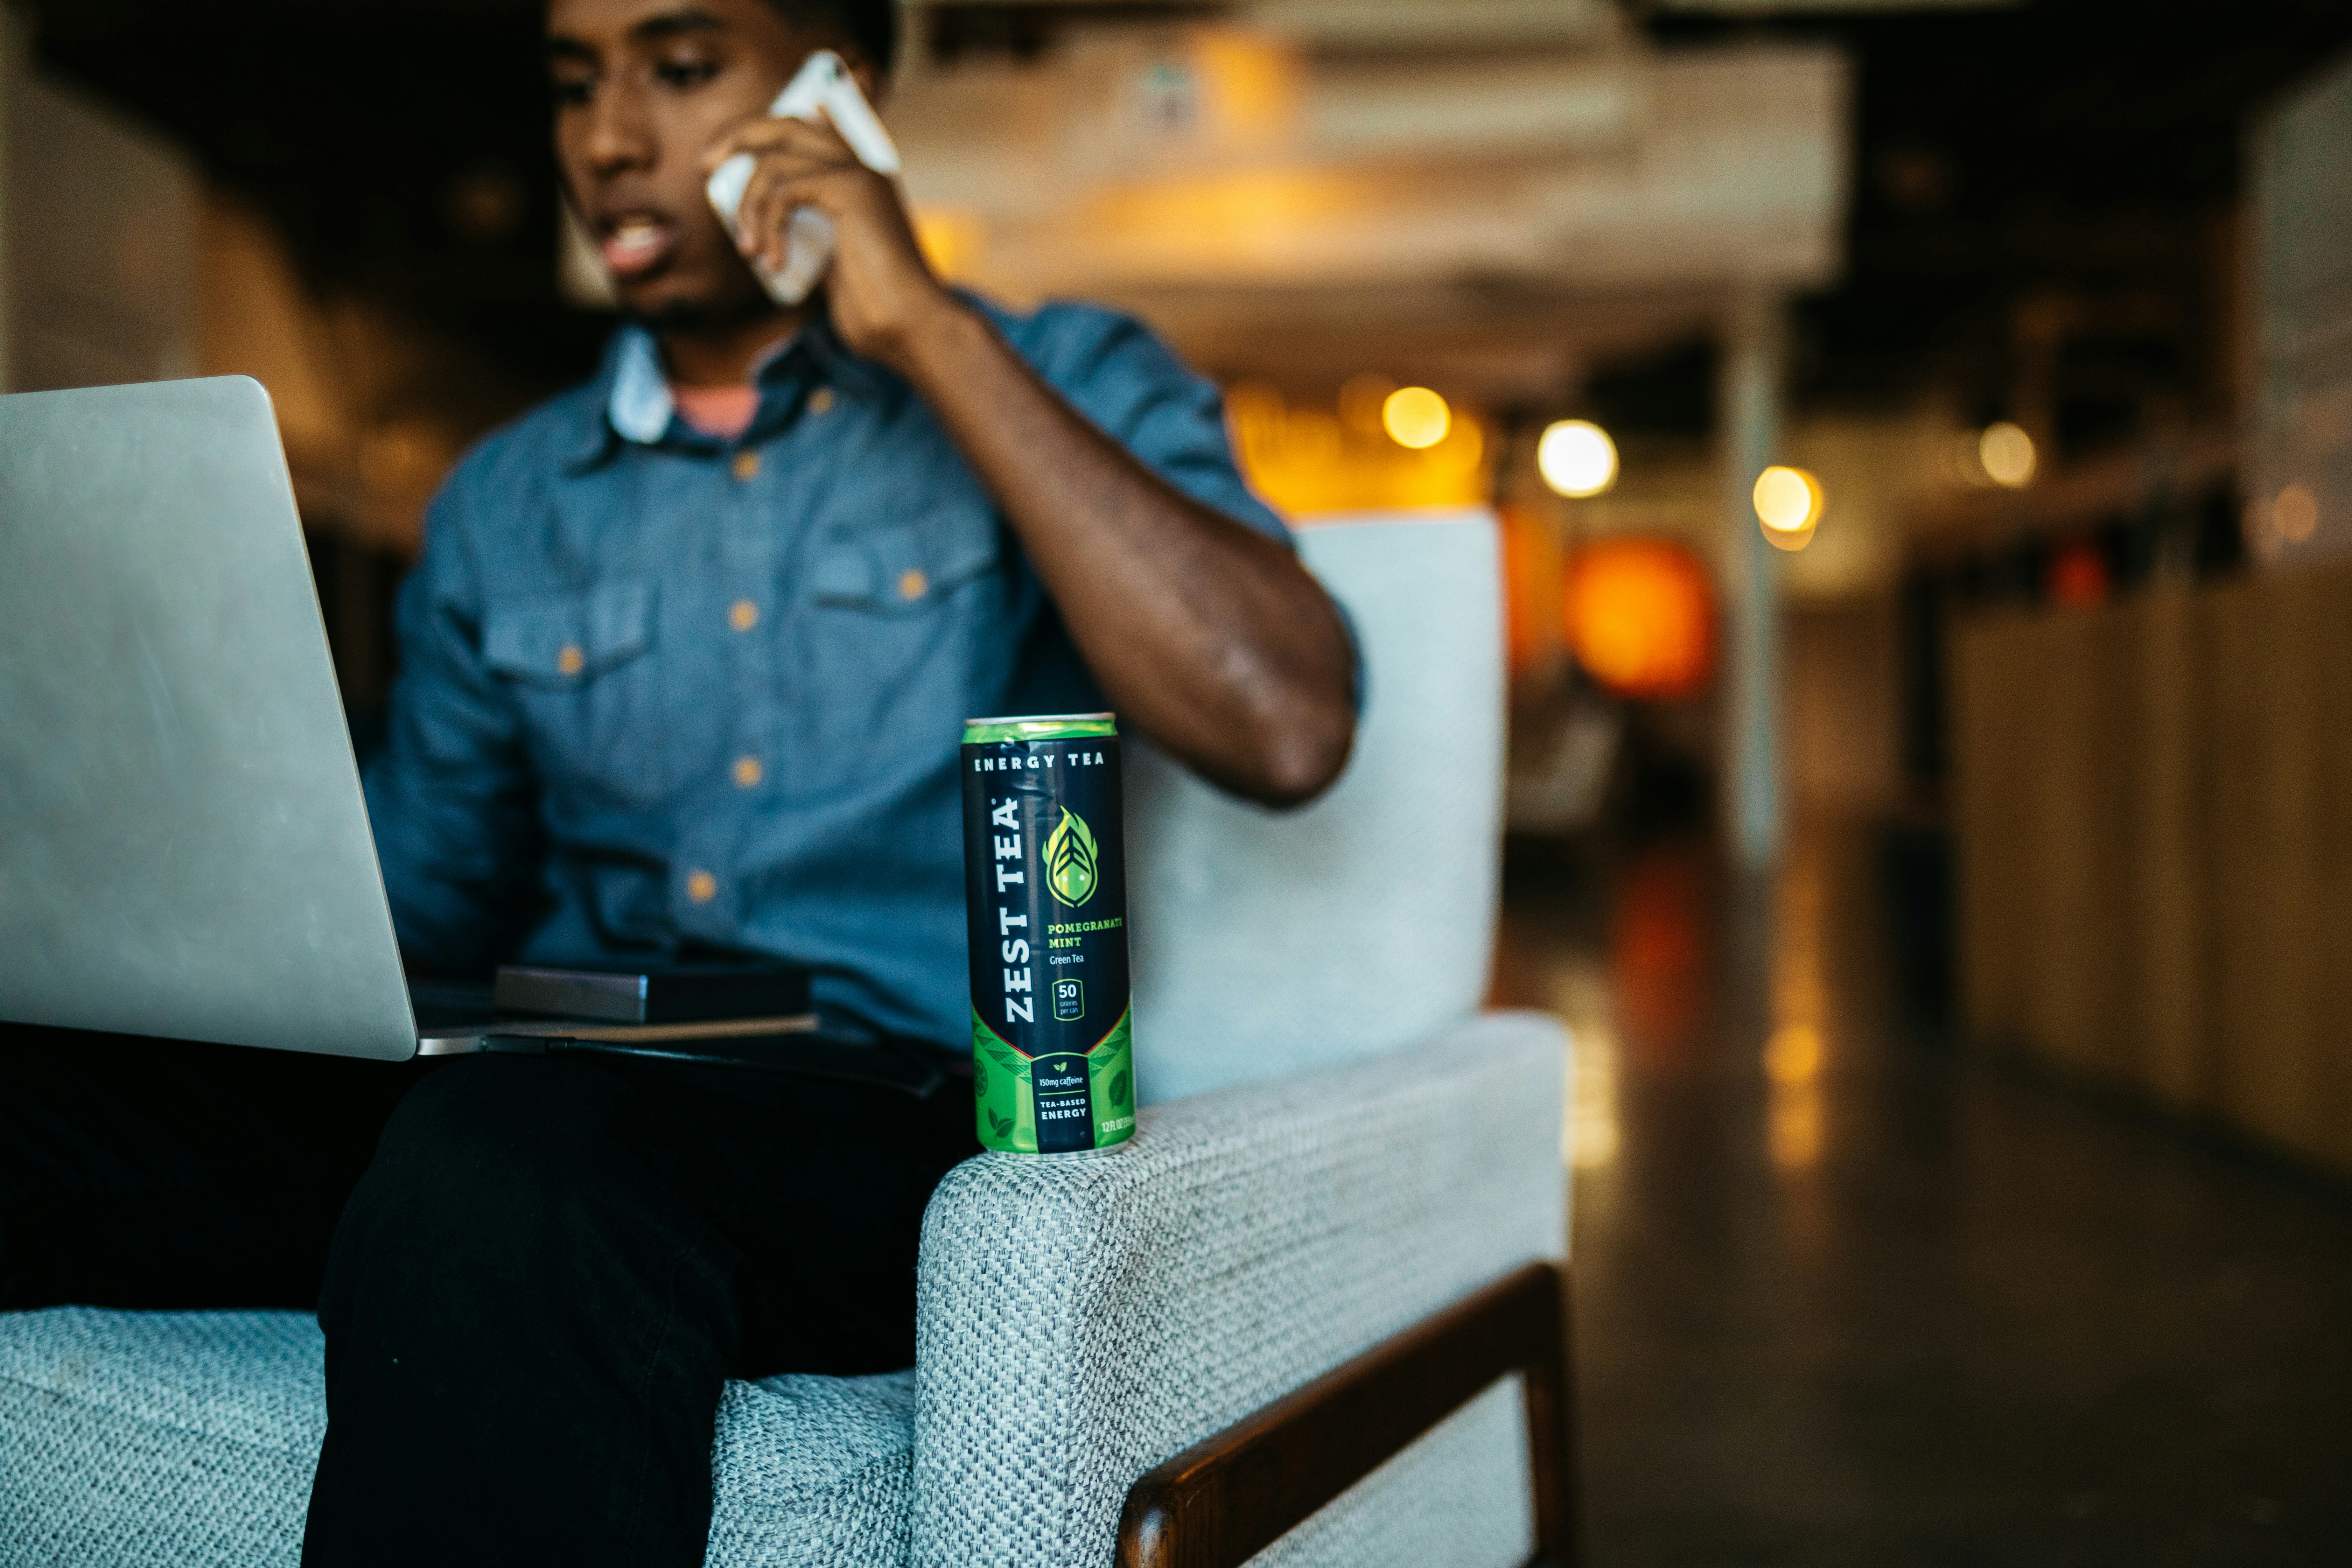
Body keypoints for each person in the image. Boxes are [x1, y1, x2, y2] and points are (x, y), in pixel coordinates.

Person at [0, 0, 1355, 1563]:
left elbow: (1287, 722)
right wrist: (159, 876)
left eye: (684, 66)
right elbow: (414, 898)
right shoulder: (507, 497)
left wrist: (922, 323)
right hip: (542, 1080)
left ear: (837, 96)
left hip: (874, 1121)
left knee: (508, 1157)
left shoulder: (1058, 375)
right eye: (577, 82)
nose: (610, 137)